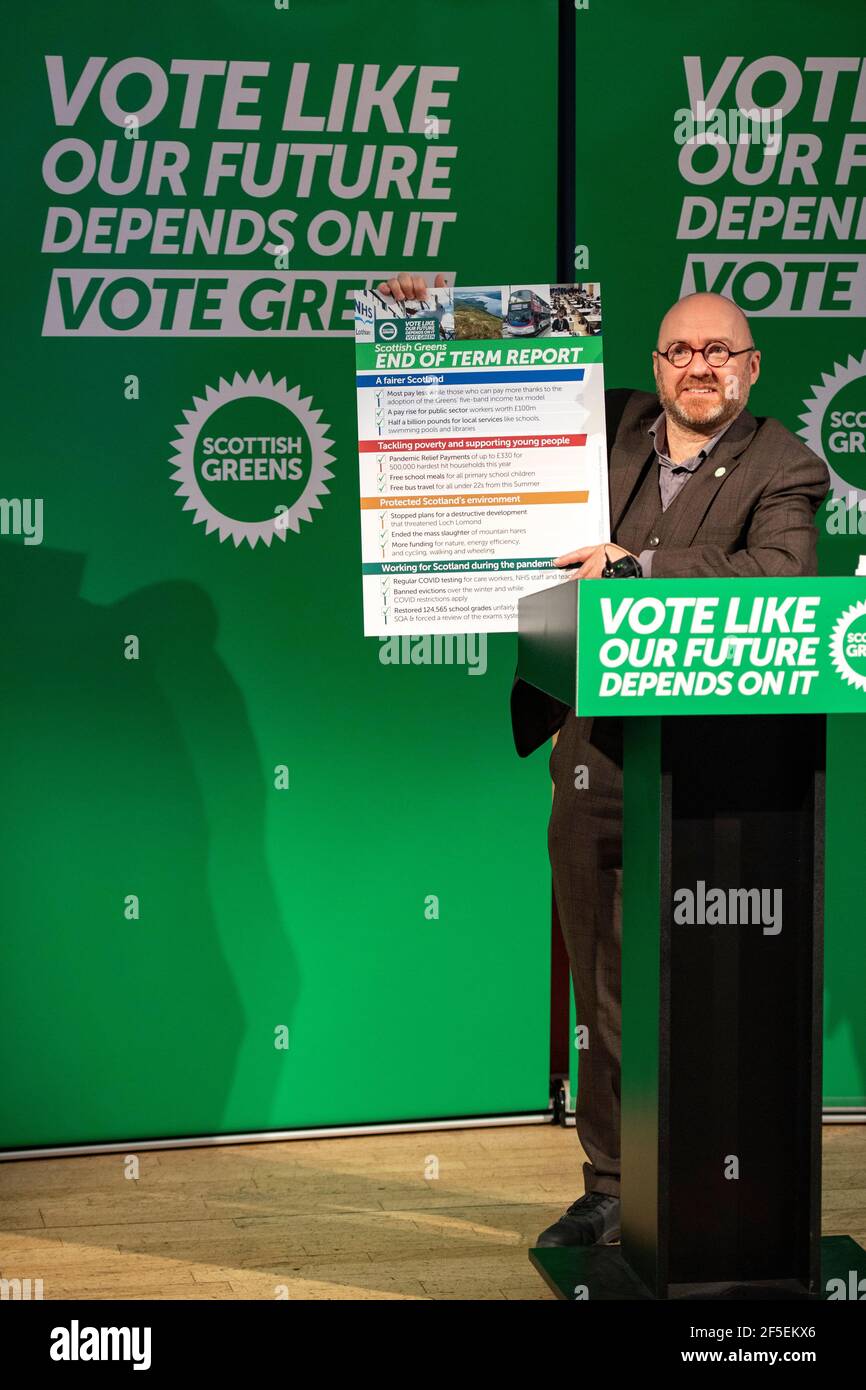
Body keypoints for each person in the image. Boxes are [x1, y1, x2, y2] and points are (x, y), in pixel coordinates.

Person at [376, 274, 831, 1249]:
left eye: (718, 351)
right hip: (594, 763)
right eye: (679, 350)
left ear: (749, 369)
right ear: (656, 366)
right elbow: (493, 376)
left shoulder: (783, 465)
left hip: (717, 773)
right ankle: (610, 1182)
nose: (698, 365)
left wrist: (636, 566)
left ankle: (718, 1179)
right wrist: (420, 311)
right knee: (605, 989)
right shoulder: (612, 428)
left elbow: (779, 576)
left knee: (711, 982)